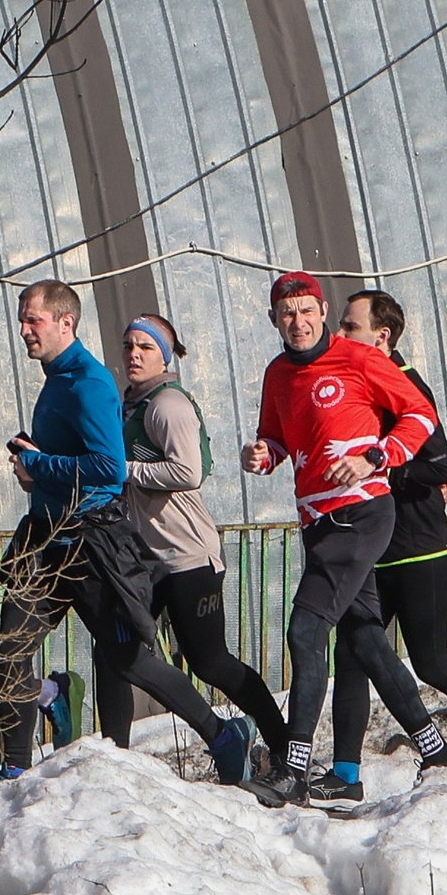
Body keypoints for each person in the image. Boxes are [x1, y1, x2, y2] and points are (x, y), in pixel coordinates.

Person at [0, 279, 241, 793]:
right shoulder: (55, 378)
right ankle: (14, 773)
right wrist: (36, 464)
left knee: (131, 660)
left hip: (91, 546)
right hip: (47, 542)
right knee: (11, 646)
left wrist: (36, 463)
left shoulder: (87, 381)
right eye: (22, 319)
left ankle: (223, 735)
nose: (24, 330)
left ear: (65, 323)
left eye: (33, 320)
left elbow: (109, 469)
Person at [235, 272, 447, 810]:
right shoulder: (277, 374)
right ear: (275, 320)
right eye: (286, 313)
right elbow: (277, 436)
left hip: (362, 512)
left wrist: (373, 457)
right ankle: (436, 751)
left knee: (305, 628)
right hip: (317, 520)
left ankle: (293, 770)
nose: (298, 321)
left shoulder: (360, 359)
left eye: (306, 310)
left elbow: (420, 415)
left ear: (321, 311)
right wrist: (263, 456)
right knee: (364, 638)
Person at [323, 291, 447, 798]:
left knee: (430, 661)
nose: (340, 336)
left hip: (420, 547)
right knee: (351, 655)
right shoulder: (361, 381)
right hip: (375, 547)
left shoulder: (405, 385)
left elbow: (439, 466)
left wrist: (379, 464)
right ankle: (345, 775)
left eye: (350, 326)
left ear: (381, 336)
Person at [109, 312, 280, 783]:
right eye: (128, 346)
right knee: (119, 655)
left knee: (210, 661)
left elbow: (188, 472)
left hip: (187, 555)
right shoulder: (129, 404)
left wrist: (123, 470)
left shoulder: (167, 405)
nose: (134, 355)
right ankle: (113, 761)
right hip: (147, 559)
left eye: (145, 347)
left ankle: (281, 741)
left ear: (164, 356)